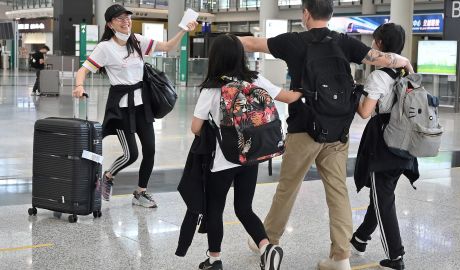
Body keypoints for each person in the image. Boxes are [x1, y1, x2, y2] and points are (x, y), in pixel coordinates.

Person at [238, 1, 414, 269]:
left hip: (304, 128)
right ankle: (340, 256)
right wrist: (402, 60)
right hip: (338, 131)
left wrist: (226, 42)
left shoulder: (293, 42)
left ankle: (268, 239)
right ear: (330, 15)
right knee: (337, 192)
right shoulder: (345, 42)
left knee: (288, 187)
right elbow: (381, 58)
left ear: (306, 14)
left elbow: (251, 44)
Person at [191, 34, 302, 270]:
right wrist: (309, 90)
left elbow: (195, 128)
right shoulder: (256, 80)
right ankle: (266, 248)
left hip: (222, 161)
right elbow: (288, 97)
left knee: (215, 208)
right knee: (244, 208)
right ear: (241, 56)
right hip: (251, 156)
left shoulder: (212, 88)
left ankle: (214, 259)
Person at [72, 4, 197, 208]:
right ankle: (109, 175)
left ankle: (141, 192)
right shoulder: (105, 47)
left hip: (142, 105)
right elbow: (83, 70)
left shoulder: (137, 40)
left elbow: (166, 47)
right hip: (121, 108)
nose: (126, 21)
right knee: (131, 154)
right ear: (111, 24)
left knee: (150, 150)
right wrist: (78, 86)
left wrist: (184, 29)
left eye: (127, 18)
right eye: (120, 19)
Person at [351, 23, 419, 270]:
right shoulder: (406, 70)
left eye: (374, 40)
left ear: (379, 44)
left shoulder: (379, 76)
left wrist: (355, 93)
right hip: (406, 141)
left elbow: (365, 112)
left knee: (383, 198)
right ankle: (360, 238)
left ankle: (395, 256)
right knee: (381, 194)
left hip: (385, 144)